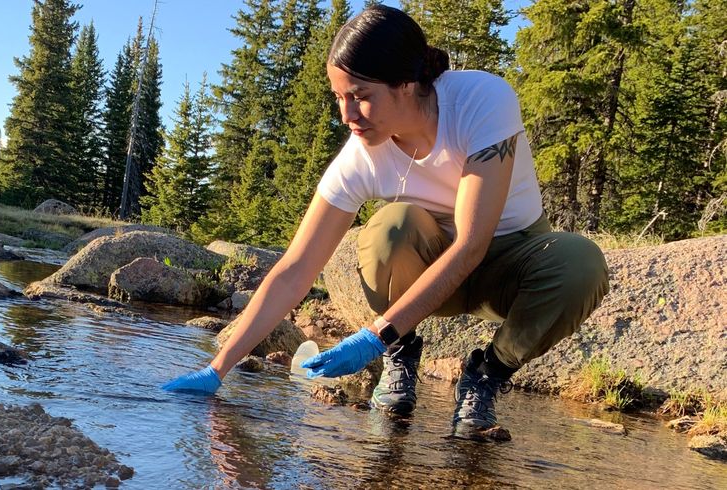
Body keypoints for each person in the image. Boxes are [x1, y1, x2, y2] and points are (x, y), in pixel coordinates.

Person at [162, 5, 609, 438]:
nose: (347, 115)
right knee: (391, 228)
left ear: (408, 83)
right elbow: (295, 268)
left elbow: (472, 243)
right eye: (339, 97)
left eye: (360, 97)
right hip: (430, 267)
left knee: (580, 263)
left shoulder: (481, 101)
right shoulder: (361, 157)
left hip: (507, 262)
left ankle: (485, 376)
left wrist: (373, 336)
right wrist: (217, 368)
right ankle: (402, 356)